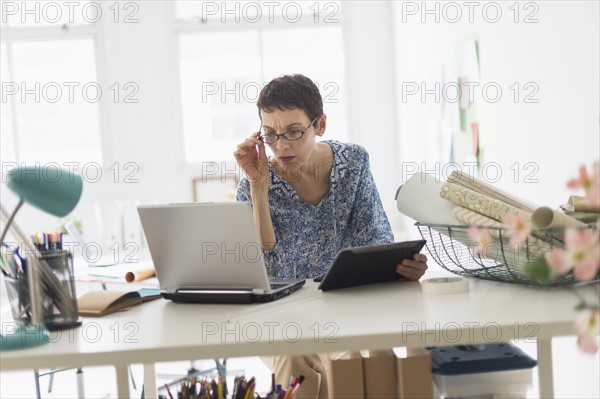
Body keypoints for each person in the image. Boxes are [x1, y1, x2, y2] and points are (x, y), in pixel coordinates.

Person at [233, 74, 428, 398]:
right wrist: (258, 188)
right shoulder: (254, 183)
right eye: (270, 134)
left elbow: (375, 237)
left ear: (320, 124)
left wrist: (403, 267)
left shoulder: (352, 163)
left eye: (294, 132)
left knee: (371, 356)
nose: (281, 146)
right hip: (280, 315)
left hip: (343, 305)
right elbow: (258, 261)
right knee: (295, 356)